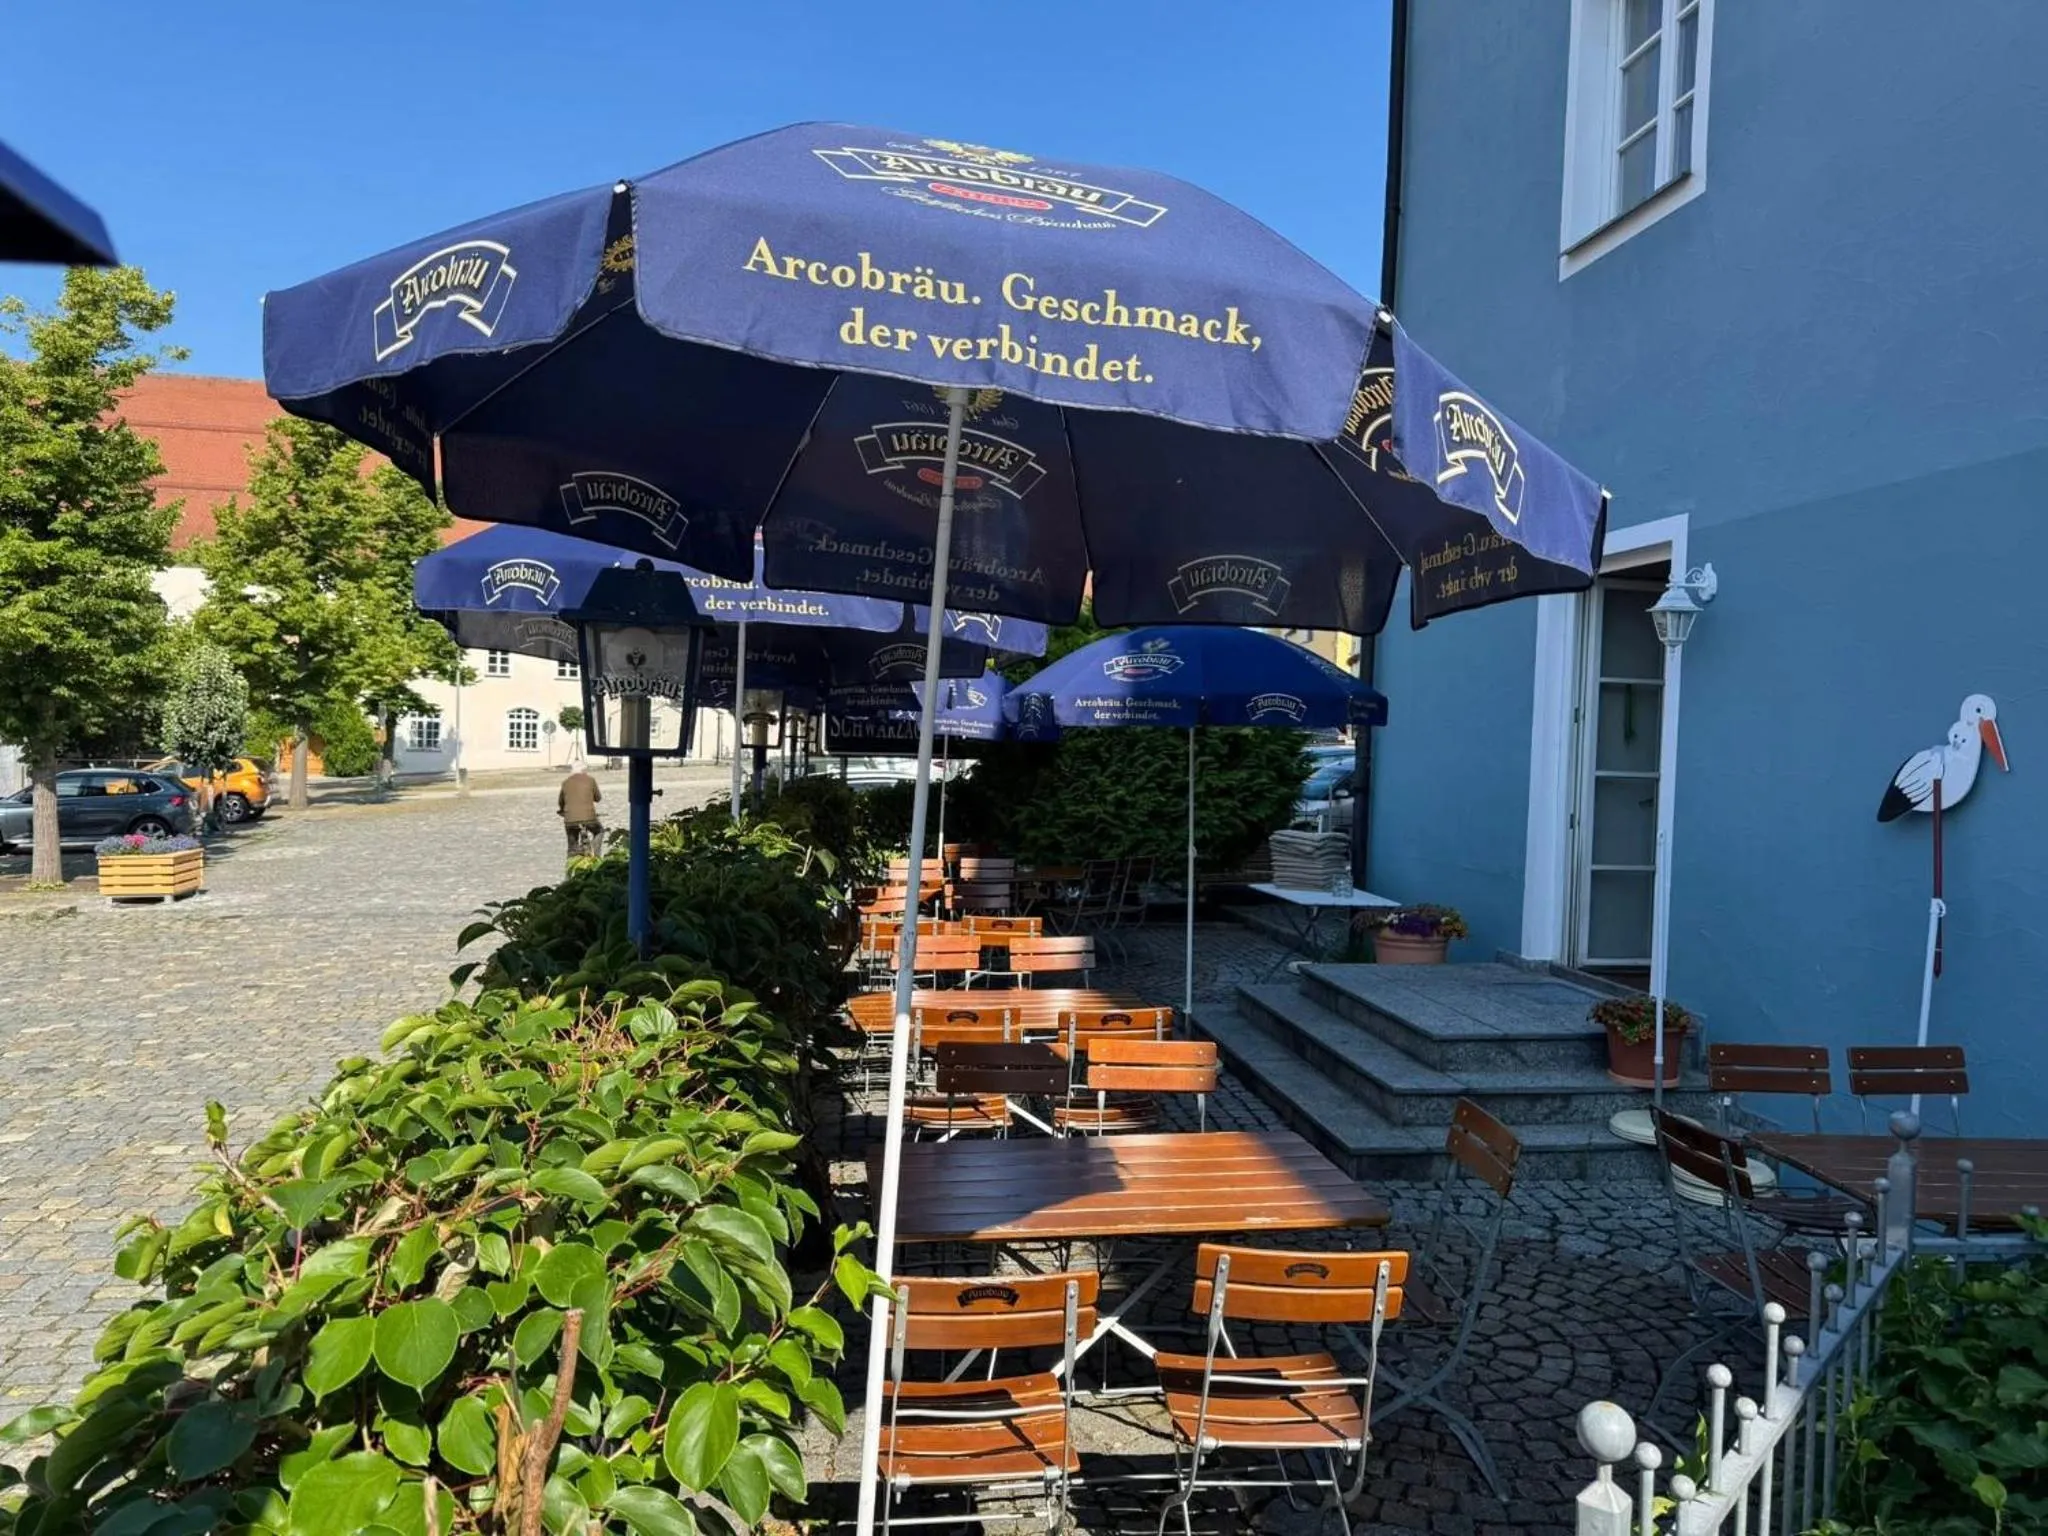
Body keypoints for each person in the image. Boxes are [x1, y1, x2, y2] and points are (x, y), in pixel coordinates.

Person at [558, 766, 602, 865]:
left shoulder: (565, 782)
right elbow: (598, 798)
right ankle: (596, 855)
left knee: (572, 843)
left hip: (570, 819)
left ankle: (570, 862)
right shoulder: (590, 780)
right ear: (584, 771)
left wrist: (562, 810)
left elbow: (561, 801)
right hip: (589, 819)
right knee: (599, 831)